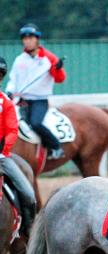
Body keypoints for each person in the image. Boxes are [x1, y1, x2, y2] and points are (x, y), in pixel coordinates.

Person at [6, 23, 66, 159]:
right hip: (22, 100)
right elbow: (13, 79)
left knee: (36, 123)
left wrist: (58, 69)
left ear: (37, 39)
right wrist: (9, 91)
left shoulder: (49, 58)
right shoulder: (19, 60)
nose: (27, 41)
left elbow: (60, 79)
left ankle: (56, 147)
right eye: (25, 38)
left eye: (31, 38)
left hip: (39, 100)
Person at [0, 56, 36, 237]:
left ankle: (28, 231)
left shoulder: (5, 103)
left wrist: (3, 147)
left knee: (29, 194)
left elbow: (12, 129)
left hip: (1, 157)